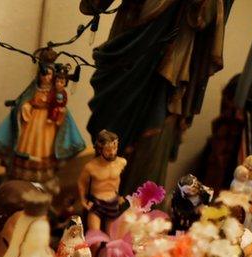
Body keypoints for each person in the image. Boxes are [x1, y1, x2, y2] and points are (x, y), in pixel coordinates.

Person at [84, 0, 229, 193]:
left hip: (165, 66)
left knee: (151, 137)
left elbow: (205, 15)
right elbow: (92, 5)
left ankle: (139, 212)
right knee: (109, 124)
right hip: (126, 50)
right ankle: (99, 199)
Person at [0, 61, 86, 194]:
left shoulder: (55, 91)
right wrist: (25, 106)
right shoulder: (33, 90)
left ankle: (43, 178)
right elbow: (24, 101)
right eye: (44, 74)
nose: (46, 78)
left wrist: (59, 112)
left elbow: (60, 105)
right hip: (32, 122)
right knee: (28, 145)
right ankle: (21, 176)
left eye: (49, 75)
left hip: (48, 124)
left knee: (44, 148)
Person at [78, 129, 128, 234]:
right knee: (95, 239)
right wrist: (83, 200)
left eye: (115, 148)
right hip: (96, 203)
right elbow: (81, 183)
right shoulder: (90, 167)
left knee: (111, 236)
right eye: (108, 150)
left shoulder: (121, 163)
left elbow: (123, 179)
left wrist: (120, 195)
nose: (112, 152)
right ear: (100, 150)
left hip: (113, 201)